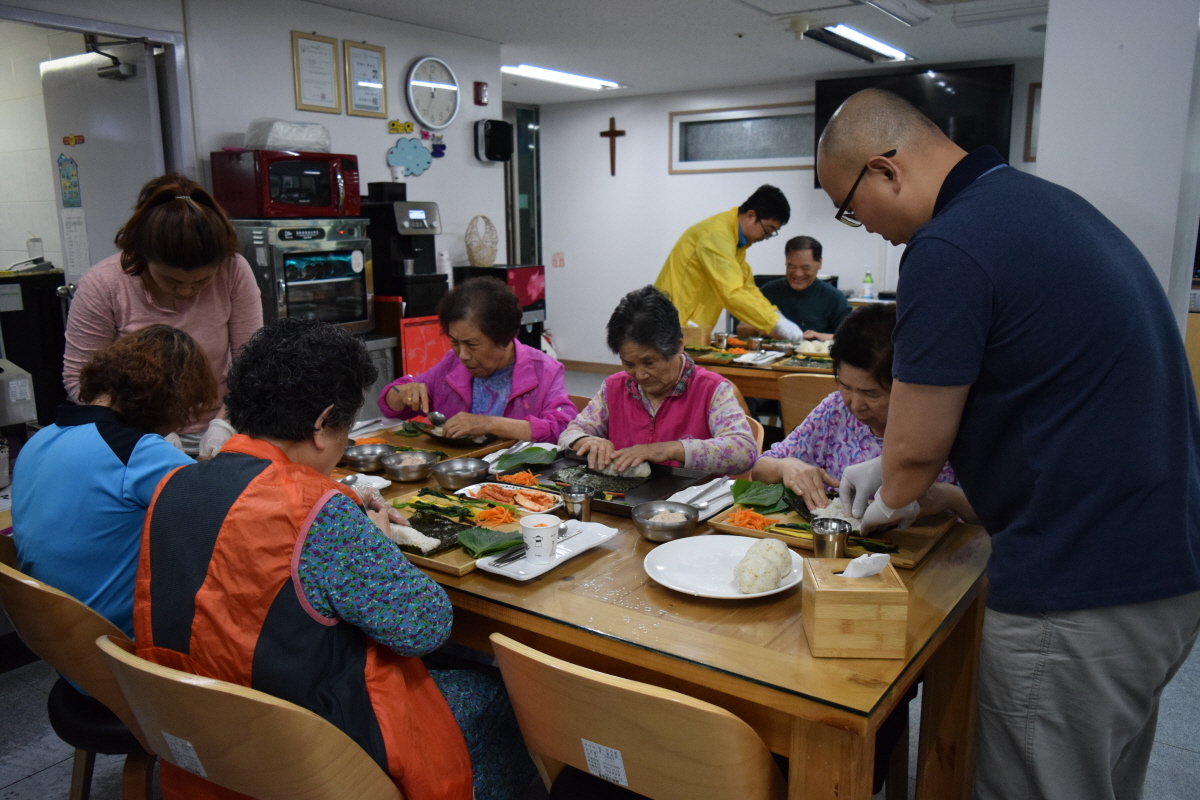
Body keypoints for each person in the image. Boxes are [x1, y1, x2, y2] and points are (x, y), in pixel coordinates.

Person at [817, 88, 1200, 800]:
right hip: (1162, 569)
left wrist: (886, 498)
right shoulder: (1039, 206)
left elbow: (914, 450)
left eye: (849, 206)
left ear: (884, 171)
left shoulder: (949, 244)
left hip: (1079, 585)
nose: (869, 230)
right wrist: (903, 475)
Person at [133, 318, 534, 800]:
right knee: (505, 697)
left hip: (199, 737)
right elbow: (424, 627)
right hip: (304, 749)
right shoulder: (316, 512)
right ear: (323, 424)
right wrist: (379, 545)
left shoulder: (172, 486)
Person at [12, 325, 216, 637]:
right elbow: (228, 506)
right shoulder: (134, 451)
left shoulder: (39, 440)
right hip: (120, 643)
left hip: (57, 634)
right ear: (172, 398)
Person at [63, 172, 263, 457]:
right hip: (130, 436)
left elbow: (251, 367)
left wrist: (224, 425)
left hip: (216, 427)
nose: (186, 292)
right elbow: (78, 379)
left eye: (201, 281)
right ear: (144, 257)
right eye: (172, 281)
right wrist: (148, 429)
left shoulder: (234, 271)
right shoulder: (104, 285)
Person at [752, 304, 971, 518]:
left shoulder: (945, 420)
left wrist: (947, 497)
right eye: (845, 386)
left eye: (871, 394)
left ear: (908, 387)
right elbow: (760, 468)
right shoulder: (836, 410)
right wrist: (787, 467)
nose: (855, 405)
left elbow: (993, 515)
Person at [560, 286, 757, 475]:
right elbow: (570, 433)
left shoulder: (712, 389)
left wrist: (668, 450)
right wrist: (585, 440)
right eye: (629, 364)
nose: (640, 375)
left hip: (693, 504)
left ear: (678, 346)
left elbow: (743, 451)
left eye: (649, 362)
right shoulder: (614, 387)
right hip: (628, 500)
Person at [379, 277, 576, 442]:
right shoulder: (451, 365)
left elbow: (563, 429)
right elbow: (390, 405)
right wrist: (402, 393)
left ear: (504, 337)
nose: (462, 354)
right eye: (454, 342)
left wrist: (489, 423)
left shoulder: (544, 370)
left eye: (472, 344)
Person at [655, 184, 806, 342]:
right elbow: (732, 292)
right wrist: (774, 323)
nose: (767, 236)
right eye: (768, 229)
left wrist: (776, 316)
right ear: (750, 216)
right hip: (669, 329)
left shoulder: (736, 244)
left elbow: (747, 289)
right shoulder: (718, 236)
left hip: (686, 330)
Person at [735, 236, 851, 341]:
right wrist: (766, 329)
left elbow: (853, 338)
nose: (798, 274)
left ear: (819, 263)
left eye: (805, 267)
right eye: (791, 266)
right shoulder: (770, 290)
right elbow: (741, 328)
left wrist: (819, 336)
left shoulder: (834, 298)